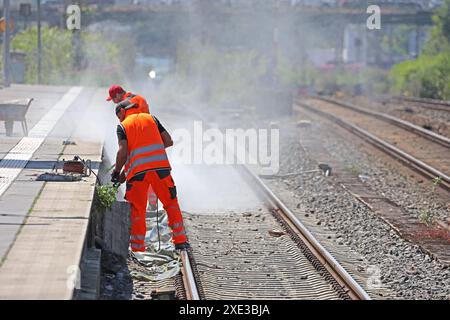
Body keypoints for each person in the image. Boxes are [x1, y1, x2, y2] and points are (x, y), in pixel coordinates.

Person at [111, 101, 189, 252]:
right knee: (171, 202)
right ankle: (180, 241)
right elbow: (168, 141)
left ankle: (138, 247)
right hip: (161, 169)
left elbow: (123, 152)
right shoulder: (151, 118)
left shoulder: (123, 126)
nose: (118, 119)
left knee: (137, 209)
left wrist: (116, 172)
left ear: (122, 111)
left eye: (118, 115)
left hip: (138, 174)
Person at [107, 85, 158, 210]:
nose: (115, 102)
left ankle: (135, 206)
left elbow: (129, 126)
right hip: (149, 134)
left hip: (136, 137)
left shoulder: (125, 105)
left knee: (134, 172)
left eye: (114, 99)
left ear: (118, 95)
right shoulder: (139, 98)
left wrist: (118, 171)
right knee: (150, 170)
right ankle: (152, 204)